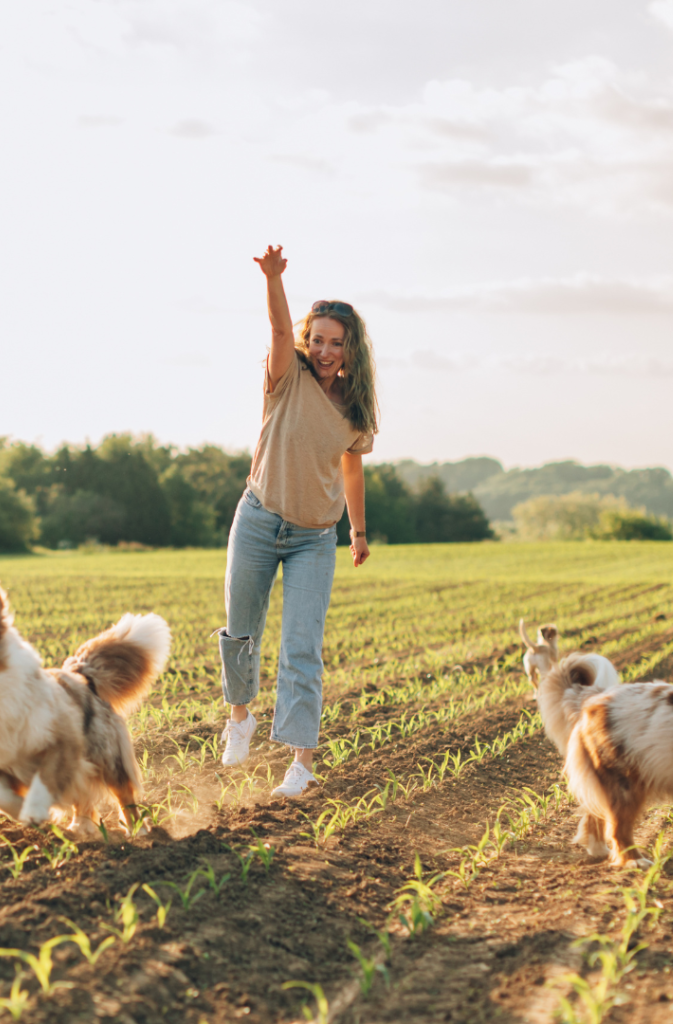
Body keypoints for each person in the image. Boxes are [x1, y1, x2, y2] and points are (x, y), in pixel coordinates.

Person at [215, 244, 377, 797]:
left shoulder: (355, 411)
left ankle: (300, 763)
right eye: (319, 339)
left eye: (336, 342)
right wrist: (275, 280)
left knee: (302, 647)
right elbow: (280, 331)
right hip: (259, 519)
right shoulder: (286, 376)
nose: (325, 350)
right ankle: (240, 719)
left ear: (350, 349)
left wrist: (356, 531)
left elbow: (351, 470)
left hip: (314, 538)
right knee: (240, 627)